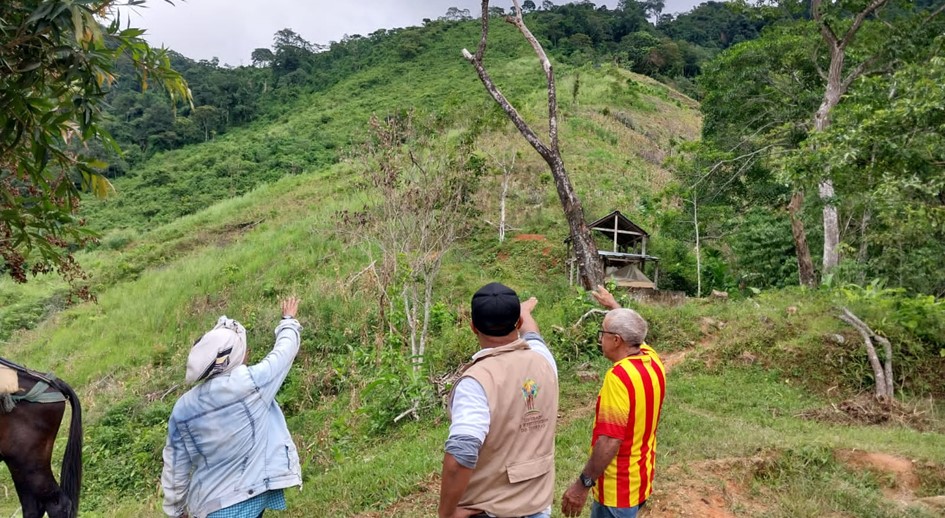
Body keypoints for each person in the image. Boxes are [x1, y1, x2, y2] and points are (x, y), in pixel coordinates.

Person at [162, 296, 303, 518]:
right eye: (243, 349)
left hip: (209, 505)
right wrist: (288, 320)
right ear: (233, 356)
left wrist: (176, 511)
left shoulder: (183, 408)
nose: (247, 353)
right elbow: (284, 352)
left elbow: (175, 467)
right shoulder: (250, 383)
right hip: (247, 499)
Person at [438, 282, 559, 518]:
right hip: (538, 506)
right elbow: (532, 334)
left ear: (473, 327)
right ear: (519, 323)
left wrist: (445, 514)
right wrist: (523, 311)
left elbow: (461, 454)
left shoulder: (476, 382)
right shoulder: (544, 360)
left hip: (490, 511)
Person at [561, 285, 666, 518]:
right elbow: (635, 333)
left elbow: (609, 440)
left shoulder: (619, 377)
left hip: (616, 491)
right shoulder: (652, 360)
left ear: (617, 340)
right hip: (640, 481)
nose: (601, 339)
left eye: (604, 334)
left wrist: (582, 486)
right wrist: (614, 306)